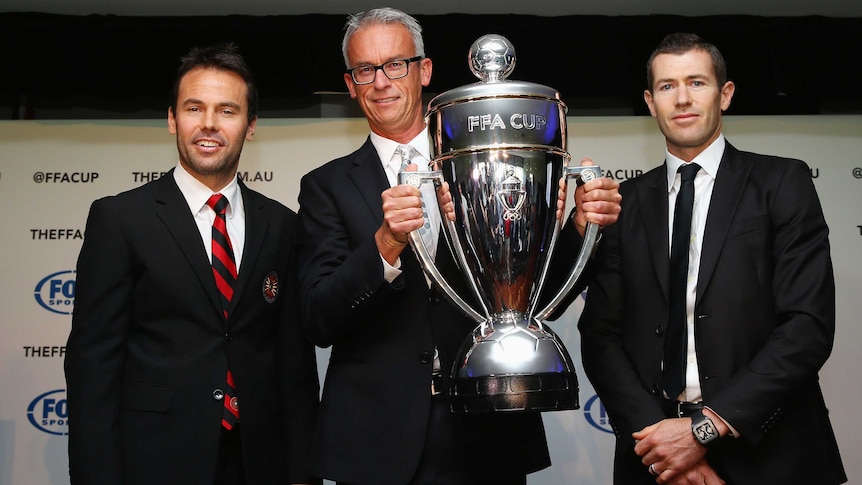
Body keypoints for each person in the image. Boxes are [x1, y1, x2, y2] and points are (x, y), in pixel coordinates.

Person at [295, 7, 620, 485]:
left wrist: (579, 226)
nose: (381, 82)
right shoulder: (325, 187)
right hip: (376, 442)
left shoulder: (489, 159)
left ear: (424, 70)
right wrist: (384, 245)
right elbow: (319, 317)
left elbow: (538, 298)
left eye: (395, 64)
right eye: (365, 70)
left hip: (489, 428)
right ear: (351, 84)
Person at [578, 32, 846, 485]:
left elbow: (808, 325)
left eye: (697, 82)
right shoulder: (622, 204)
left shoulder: (782, 182)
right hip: (656, 459)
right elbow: (601, 336)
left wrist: (705, 429)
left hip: (772, 453)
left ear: (725, 94)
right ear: (650, 101)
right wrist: (663, 445)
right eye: (666, 86)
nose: (682, 98)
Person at [64, 43, 320, 485]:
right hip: (153, 460)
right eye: (193, 107)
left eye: (227, 110)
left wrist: (303, 474)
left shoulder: (281, 225)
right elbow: (92, 370)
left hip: (259, 462)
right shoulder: (120, 219)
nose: (208, 124)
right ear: (171, 119)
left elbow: (293, 367)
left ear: (251, 125)